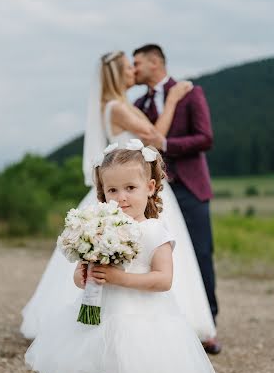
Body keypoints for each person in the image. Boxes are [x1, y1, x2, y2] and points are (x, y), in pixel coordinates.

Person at [25, 143, 218, 373]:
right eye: (112, 190)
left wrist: (119, 278)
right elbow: (80, 279)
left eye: (130, 188)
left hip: (139, 321)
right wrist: (85, 274)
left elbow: (163, 280)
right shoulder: (99, 228)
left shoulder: (155, 232)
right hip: (102, 320)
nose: (121, 197)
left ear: (150, 187)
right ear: (102, 192)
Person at [21, 51, 216, 344]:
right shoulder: (118, 107)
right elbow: (154, 140)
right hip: (129, 190)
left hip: (136, 187)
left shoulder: (126, 105)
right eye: (127, 67)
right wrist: (173, 99)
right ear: (114, 74)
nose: (132, 72)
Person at [133, 44, 222, 354]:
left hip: (190, 187)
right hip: (154, 193)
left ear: (155, 62)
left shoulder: (189, 93)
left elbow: (205, 137)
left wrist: (166, 143)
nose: (134, 69)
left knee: (199, 254)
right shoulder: (138, 103)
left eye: (138, 63)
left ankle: (207, 325)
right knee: (158, 256)